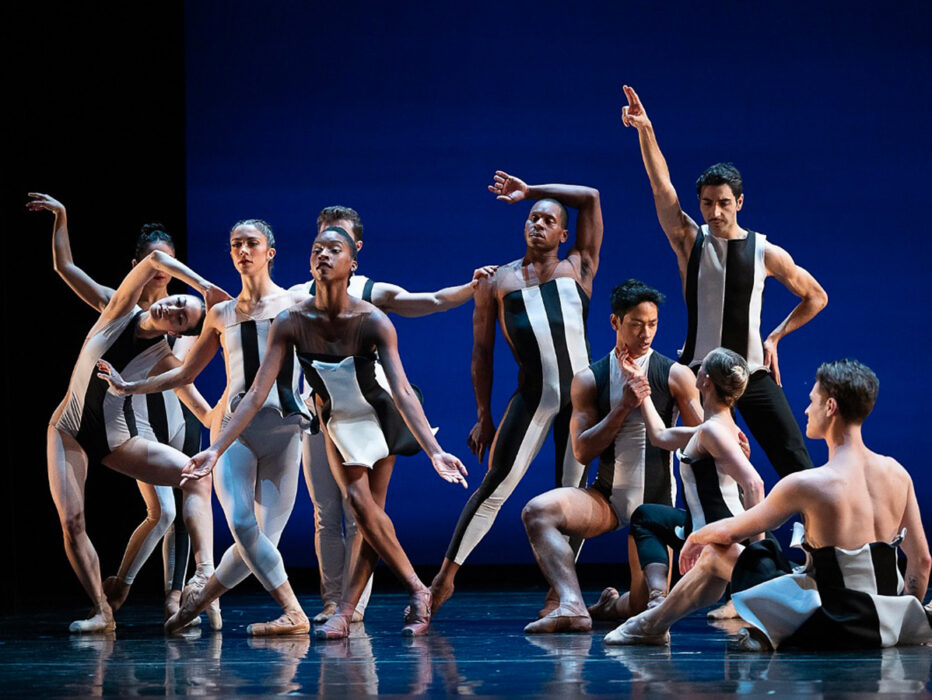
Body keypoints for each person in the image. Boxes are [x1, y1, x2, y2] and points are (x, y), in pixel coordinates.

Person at [179, 226, 469, 638]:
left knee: (369, 513)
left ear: (353, 264)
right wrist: (215, 448)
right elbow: (258, 391)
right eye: (317, 249)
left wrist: (435, 450)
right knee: (357, 504)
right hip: (335, 418)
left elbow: (402, 390)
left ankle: (362, 607)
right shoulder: (292, 321)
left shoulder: (372, 320)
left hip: (380, 412)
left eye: (335, 250)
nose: (324, 255)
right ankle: (408, 592)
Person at [606, 360, 932, 650]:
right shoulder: (898, 474)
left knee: (717, 551)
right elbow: (922, 561)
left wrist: (695, 538)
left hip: (834, 622)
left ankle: (650, 625)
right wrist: (895, 623)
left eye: (812, 401)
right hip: (886, 621)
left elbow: (734, 529)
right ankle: (657, 624)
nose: (806, 410)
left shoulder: (808, 483)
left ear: (830, 407)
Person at [100, 219, 311, 635]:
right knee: (242, 526)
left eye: (252, 243)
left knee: (262, 541)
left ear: (270, 252)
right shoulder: (220, 313)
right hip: (234, 429)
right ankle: (294, 613)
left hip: (285, 430)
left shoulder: (294, 304)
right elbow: (183, 374)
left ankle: (199, 599)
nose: (243, 251)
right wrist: (130, 386)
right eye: (236, 244)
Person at [292, 205, 495, 624]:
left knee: (365, 508)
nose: (327, 252)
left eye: (339, 242)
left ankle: (354, 605)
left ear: (355, 250)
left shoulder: (370, 295)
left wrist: (468, 288)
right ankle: (334, 601)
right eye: (322, 242)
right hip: (322, 411)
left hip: (372, 408)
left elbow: (431, 301)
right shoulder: (298, 297)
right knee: (326, 512)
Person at [28, 193, 219, 625]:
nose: (171, 308)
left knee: (195, 474)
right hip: (68, 430)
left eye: (181, 317)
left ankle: (202, 576)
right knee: (72, 522)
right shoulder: (117, 307)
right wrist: (62, 215)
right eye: (176, 303)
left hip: (117, 440)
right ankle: (102, 612)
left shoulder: (168, 355)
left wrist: (236, 409)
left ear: (180, 330)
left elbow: (199, 404)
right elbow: (71, 266)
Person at [620, 85, 828, 478]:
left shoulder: (766, 252)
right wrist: (645, 130)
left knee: (794, 457)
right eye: (707, 203)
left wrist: (775, 337)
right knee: (695, 464)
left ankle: (815, 537)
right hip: (697, 371)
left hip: (750, 371)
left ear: (740, 202)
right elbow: (662, 189)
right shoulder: (689, 240)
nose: (715, 212)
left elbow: (816, 297)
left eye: (724, 203)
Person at [430, 171, 603, 615]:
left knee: (572, 494)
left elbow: (590, 196)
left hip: (582, 403)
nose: (537, 224)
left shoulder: (579, 266)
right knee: (493, 487)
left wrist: (533, 191)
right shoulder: (498, 281)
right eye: (531, 218)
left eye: (548, 220)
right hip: (533, 398)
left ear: (564, 233)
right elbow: (482, 353)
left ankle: (559, 595)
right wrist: (483, 415)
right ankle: (441, 584)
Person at [521, 279, 703, 633]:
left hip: (655, 508)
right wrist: (623, 407)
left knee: (644, 605)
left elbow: (701, 441)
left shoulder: (676, 375)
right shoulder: (590, 378)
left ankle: (607, 607)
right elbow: (582, 449)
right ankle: (572, 605)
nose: (645, 333)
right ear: (615, 322)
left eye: (652, 324)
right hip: (605, 499)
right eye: (636, 323)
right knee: (538, 511)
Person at [598, 347, 765, 635]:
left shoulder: (713, 432)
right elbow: (660, 436)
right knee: (646, 516)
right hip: (703, 528)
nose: (695, 371)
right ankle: (657, 599)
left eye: (699, 369)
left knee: (644, 519)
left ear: (705, 382)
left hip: (711, 535)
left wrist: (756, 550)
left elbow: (754, 484)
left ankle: (659, 602)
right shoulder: (716, 428)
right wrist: (642, 386)